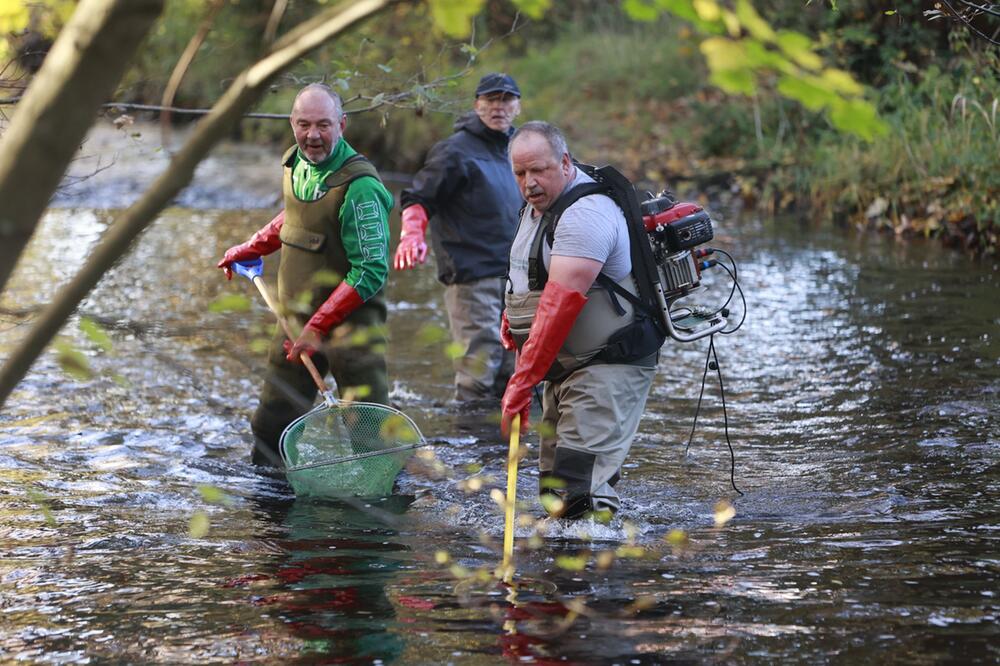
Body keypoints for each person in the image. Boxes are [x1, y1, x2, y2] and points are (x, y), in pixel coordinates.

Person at [217, 83, 393, 466]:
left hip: (351, 331)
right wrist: (252, 246)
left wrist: (319, 325)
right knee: (269, 430)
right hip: (295, 323)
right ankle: (273, 519)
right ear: (292, 123)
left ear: (342, 125)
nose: (312, 135)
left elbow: (371, 269)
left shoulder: (361, 187)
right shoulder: (295, 163)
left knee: (372, 444)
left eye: (323, 125)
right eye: (304, 124)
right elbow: (298, 219)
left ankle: (382, 517)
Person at [500, 121, 659, 520]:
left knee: (579, 495)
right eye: (520, 173)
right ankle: (562, 577)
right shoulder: (536, 209)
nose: (529, 182)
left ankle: (593, 578)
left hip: (607, 362)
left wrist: (520, 384)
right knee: (555, 491)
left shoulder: (586, 215)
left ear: (565, 163)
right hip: (562, 366)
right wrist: (511, 324)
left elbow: (559, 306)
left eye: (539, 170)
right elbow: (525, 278)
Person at [394, 72, 523, 403]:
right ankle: (470, 447)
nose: (498, 107)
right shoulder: (454, 151)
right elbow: (418, 197)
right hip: (472, 276)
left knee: (517, 372)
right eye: (491, 99)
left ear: (517, 106)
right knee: (478, 371)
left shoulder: (522, 149)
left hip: (519, 277)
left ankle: (506, 450)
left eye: (506, 100)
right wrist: (411, 234)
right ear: (476, 104)